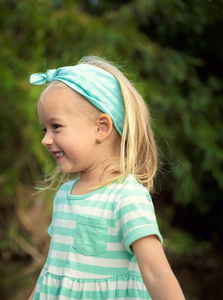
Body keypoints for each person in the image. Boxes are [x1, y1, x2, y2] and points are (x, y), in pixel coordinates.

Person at [27, 57, 185, 300]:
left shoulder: (126, 197)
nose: (46, 140)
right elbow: (52, 272)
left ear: (101, 128)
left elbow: (157, 274)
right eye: (44, 129)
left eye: (56, 127)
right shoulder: (63, 196)